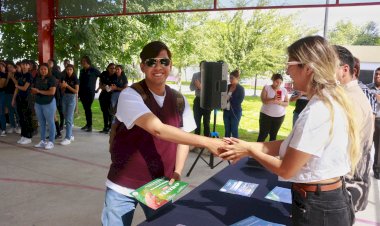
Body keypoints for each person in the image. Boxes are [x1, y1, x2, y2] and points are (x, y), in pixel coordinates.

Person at [220, 36, 358, 226]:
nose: (286, 70)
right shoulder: (325, 101)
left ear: (308, 68)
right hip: (325, 200)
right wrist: (248, 145)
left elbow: (286, 169)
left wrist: (250, 151)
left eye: (290, 63)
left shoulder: (319, 110)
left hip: (320, 207)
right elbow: (292, 144)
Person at [101, 41, 224, 226]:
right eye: (151, 62)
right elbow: (157, 129)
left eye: (164, 62)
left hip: (160, 186)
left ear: (171, 65)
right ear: (142, 66)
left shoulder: (179, 100)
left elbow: (183, 138)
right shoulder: (130, 95)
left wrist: (177, 171)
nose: (158, 67)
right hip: (123, 186)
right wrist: (207, 142)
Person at [334, 45, 374, 212]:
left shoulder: (350, 99)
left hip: (346, 183)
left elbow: (340, 146)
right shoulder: (345, 95)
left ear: (344, 70)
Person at [31, 63, 57, 150]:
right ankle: (42, 141)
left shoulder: (51, 79)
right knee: (41, 123)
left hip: (49, 103)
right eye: (41, 69)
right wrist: (34, 91)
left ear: (48, 70)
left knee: (50, 122)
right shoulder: (37, 78)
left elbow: (52, 92)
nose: (43, 70)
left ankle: (51, 142)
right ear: (39, 70)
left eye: (45, 69)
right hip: (38, 103)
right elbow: (33, 88)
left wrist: (38, 91)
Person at [257, 73, 289, 142]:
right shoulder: (266, 87)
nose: (278, 84)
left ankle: (270, 152)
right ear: (273, 80)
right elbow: (264, 101)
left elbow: (287, 103)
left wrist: (280, 102)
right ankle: (256, 151)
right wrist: (273, 99)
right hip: (266, 115)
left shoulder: (284, 90)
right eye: (277, 82)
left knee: (273, 136)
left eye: (280, 82)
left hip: (279, 116)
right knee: (263, 135)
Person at [12, 59, 34, 145]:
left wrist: (17, 85)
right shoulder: (21, 75)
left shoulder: (29, 75)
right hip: (19, 98)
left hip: (27, 99)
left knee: (27, 117)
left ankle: (28, 137)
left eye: (26, 65)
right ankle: (23, 135)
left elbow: (25, 88)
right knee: (21, 118)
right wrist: (13, 99)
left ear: (29, 66)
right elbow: (17, 88)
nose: (24, 66)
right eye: (23, 64)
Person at [78, 55, 100, 132]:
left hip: (90, 92)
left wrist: (98, 88)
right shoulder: (81, 71)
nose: (83, 62)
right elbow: (79, 82)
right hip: (82, 92)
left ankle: (89, 125)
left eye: (84, 61)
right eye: (82, 61)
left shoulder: (93, 70)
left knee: (88, 108)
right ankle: (88, 124)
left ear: (88, 61)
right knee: (86, 108)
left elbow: (102, 77)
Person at [190, 62, 211, 137]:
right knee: (196, 123)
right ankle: (196, 142)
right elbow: (191, 88)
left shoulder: (210, 76)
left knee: (206, 123)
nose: (202, 68)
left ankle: (206, 141)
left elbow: (211, 91)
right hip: (198, 101)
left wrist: (200, 87)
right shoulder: (195, 75)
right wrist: (198, 86)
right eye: (200, 66)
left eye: (204, 67)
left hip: (207, 101)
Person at [60, 64, 79, 145]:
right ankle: (70, 135)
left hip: (72, 97)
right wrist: (63, 86)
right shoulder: (64, 77)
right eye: (67, 69)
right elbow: (62, 90)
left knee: (68, 118)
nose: (69, 71)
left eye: (70, 69)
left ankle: (67, 138)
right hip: (65, 97)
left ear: (73, 70)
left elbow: (76, 91)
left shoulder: (75, 78)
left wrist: (67, 86)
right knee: (65, 115)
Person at [223, 69, 245, 138]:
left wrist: (229, 96)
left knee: (234, 130)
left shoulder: (241, 89)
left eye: (232, 78)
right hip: (226, 111)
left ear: (237, 78)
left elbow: (238, 102)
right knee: (227, 130)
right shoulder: (227, 87)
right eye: (230, 78)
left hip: (235, 112)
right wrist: (229, 95)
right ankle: (226, 146)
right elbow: (223, 99)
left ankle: (235, 147)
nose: (230, 79)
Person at [368, 67, 380, 180]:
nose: (377, 76)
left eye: (379, 75)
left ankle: (377, 170)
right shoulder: (368, 88)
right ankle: (363, 169)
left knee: (379, 147)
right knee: (367, 145)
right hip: (369, 120)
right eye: (376, 74)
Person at [98, 63, 115, 133]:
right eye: (111, 68)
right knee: (104, 111)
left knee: (110, 112)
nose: (113, 69)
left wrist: (107, 87)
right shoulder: (104, 74)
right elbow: (101, 85)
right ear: (107, 68)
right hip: (104, 95)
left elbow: (114, 87)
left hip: (112, 95)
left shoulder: (116, 76)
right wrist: (105, 87)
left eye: (114, 68)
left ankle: (110, 127)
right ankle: (105, 127)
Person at [4, 63, 20, 134]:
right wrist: (8, 78)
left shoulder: (18, 74)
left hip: (15, 95)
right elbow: (4, 85)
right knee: (10, 111)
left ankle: (19, 126)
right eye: (8, 67)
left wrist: (12, 77)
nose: (9, 68)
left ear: (15, 68)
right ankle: (12, 126)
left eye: (11, 67)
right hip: (7, 94)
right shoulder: (7, 74)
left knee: (16, 111)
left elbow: (17, 85)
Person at [0, 62, 7, 136]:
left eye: (2, 66)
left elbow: (1, 85)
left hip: (2, 94)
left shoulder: (3, 74)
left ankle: (3, 129)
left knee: (1, 111)